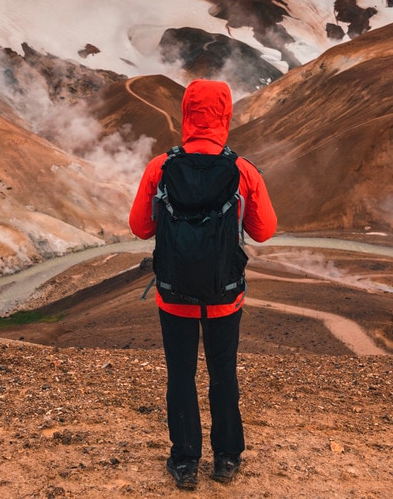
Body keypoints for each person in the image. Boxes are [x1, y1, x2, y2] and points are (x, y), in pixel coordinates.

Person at [129, 79, 278, 490]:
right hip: (224, 295)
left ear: (185, 114)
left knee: (180, 374)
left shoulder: (159, 168)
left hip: (174, 293)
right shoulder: (242, 170)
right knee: (222, 373)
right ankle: (227, 457)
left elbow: (140, 228)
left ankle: (184, 462)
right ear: (226, 115)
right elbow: (264, 231)